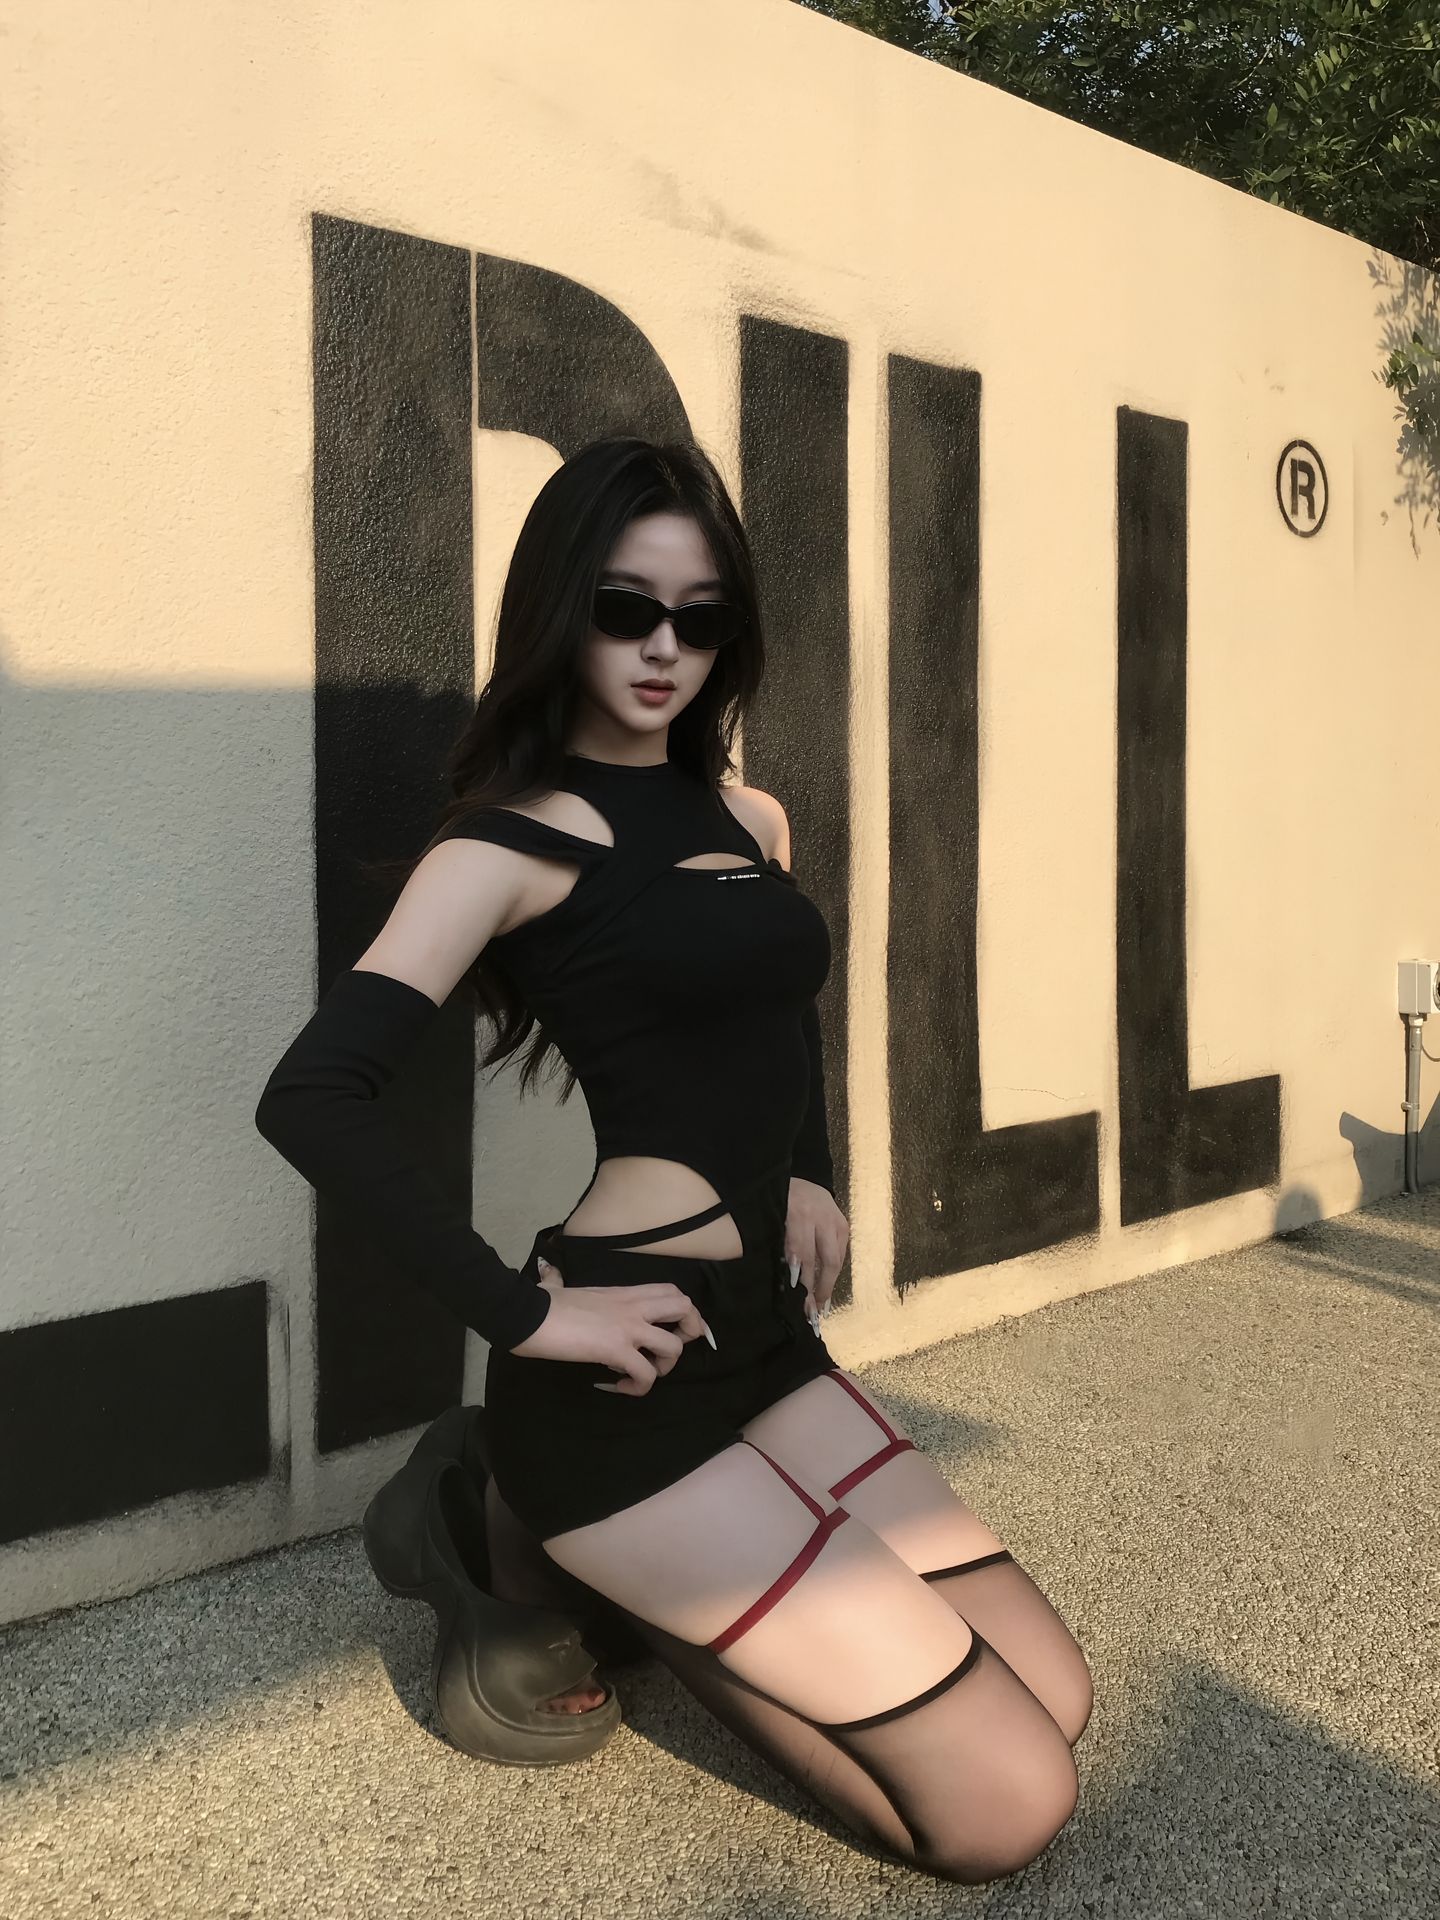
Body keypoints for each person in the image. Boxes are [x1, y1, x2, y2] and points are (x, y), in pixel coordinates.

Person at [255, 436, 1092, 1883]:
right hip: (621, 1383)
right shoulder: (509, 847)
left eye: (700, 619)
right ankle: (531, 1518)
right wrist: (527, 1315)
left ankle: (583, 1545)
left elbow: (777, 1006)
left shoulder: (748, 816)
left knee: (1058, 1696)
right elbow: (311, 1096)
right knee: (1008, 1802)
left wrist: (812, 1169)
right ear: (560, 611)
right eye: (625, 608)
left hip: (760, 1342)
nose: (663, 648)